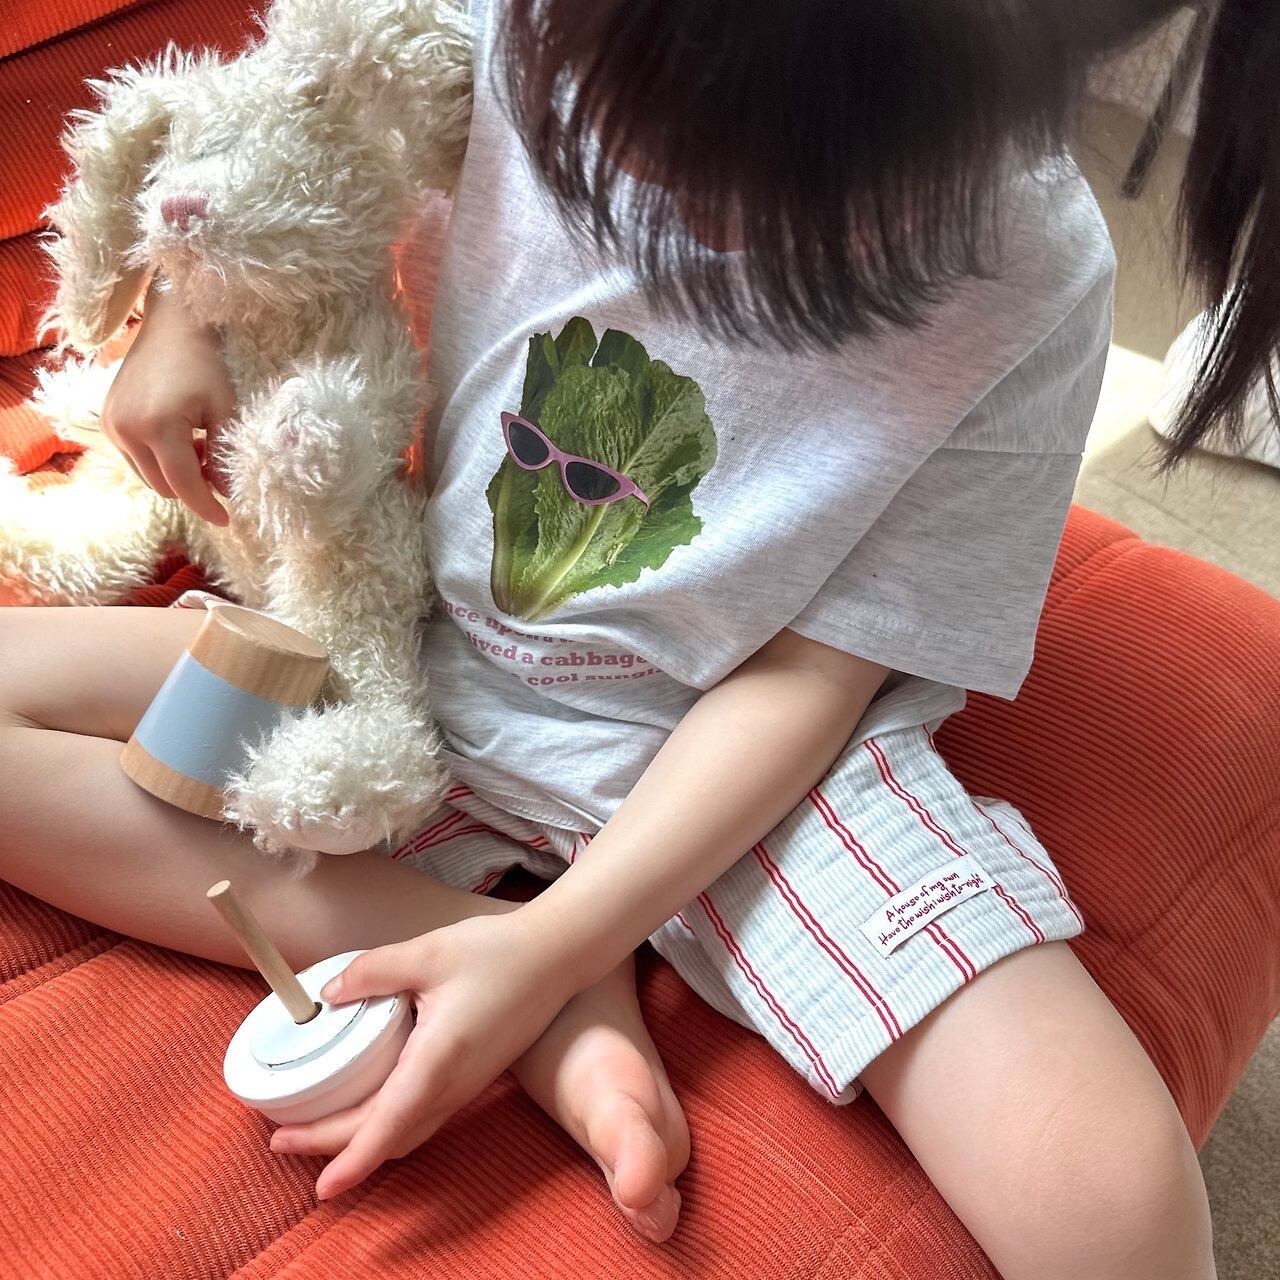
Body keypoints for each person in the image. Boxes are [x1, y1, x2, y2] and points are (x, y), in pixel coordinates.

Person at [3, 2, 1274, 1275]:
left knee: (1110, 1200)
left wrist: (559, 933)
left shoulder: (1027, 266)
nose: (678, 211)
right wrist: (181, 314)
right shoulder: (518, 20)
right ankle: (491, 965)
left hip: (737, 760)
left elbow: (810, 674)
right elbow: (290, 116)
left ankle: (516, 955)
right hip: (410, 649)